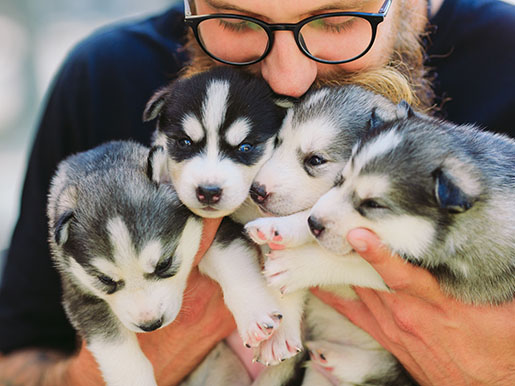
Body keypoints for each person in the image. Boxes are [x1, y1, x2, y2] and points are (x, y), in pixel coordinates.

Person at [0, 0, 514, 384]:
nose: (289, 81)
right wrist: (141, 358)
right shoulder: (104, 75)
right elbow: (18, 362)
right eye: (236, 22)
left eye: (336, 22)